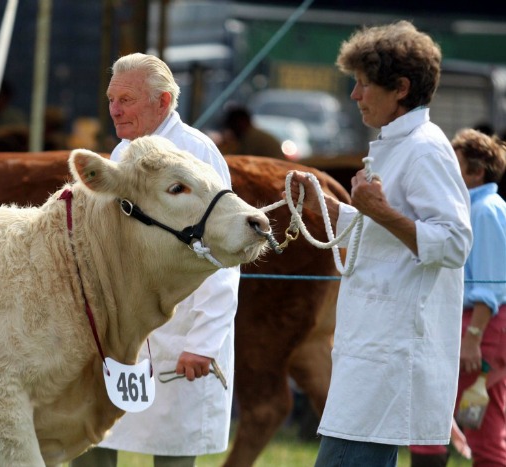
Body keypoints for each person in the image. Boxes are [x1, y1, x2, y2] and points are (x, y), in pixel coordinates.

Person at [285, 21, 473, 467]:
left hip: (392, 351)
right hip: (372, 345)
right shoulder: (398, 144)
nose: (354, 95)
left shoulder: (426, 149)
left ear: (401, 88)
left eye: (364, 84)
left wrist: (381, 210)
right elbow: (381, 232)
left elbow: (455, 243)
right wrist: (328, 207)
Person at [70, 53, 239, 467]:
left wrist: (204, 342)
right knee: (92, 445)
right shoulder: (122, 153)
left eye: (126, 99)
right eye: (112, 98)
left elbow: (225, 253)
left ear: (163, 102)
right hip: (127, 336)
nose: (114, 109)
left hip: (181, 336)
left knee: (172, 453)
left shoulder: (198, 153)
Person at [410, 128, 506, 467]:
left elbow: (490, 286)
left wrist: (473, 339)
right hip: (466, 329)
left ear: (477, 172)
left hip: (480, 332)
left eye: (454, 165)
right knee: (440, 415)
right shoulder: (471, 208)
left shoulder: (485, 211)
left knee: (479, 422)